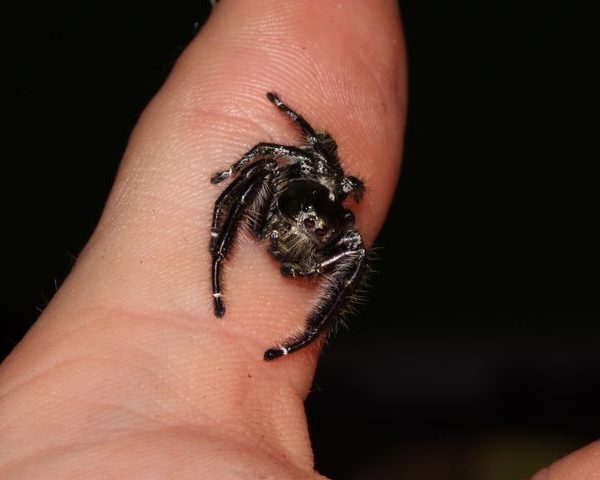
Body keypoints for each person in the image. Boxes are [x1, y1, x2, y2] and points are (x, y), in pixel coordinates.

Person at [0, 1, 596, 478]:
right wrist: (226, 215)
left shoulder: (330, 206)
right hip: (279, 232)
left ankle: (301, 333)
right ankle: (220, 269)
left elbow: (314, 181)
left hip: (306, 255)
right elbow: (264, 155)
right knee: (268, 177)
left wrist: (300, 331)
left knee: (352, 248)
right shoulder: (281, 169)